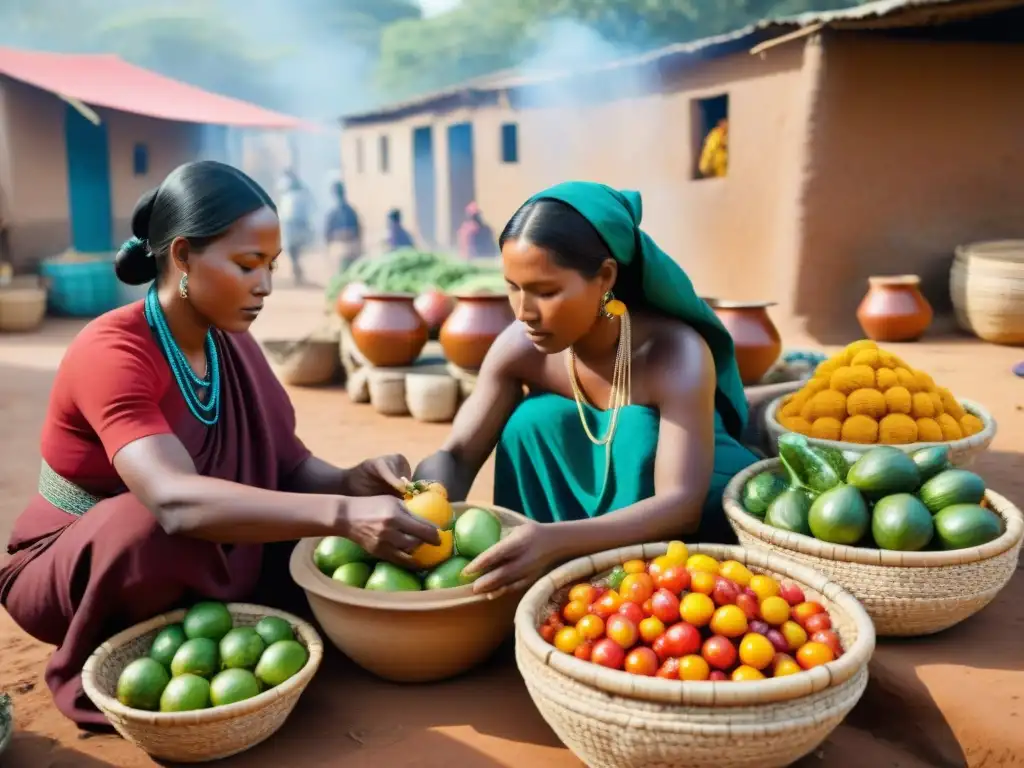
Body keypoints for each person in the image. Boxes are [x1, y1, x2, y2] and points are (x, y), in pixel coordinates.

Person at [0, 161, 440, 728]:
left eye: (272, 266)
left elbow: (287, 467)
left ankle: (214, 635)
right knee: (146, 523)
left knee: (307, 538)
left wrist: (349, 481)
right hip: (78, 564)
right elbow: (175, 504)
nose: (266, 285)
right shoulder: (111, 350)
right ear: (182, 256)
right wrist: (343, 513)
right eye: (247, 264)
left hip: (199, 545)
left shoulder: (230, 343)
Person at [413, 182, 758, 597]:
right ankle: (556, 580)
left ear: (605, 277)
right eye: (513, 287)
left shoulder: (674, 354)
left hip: (678, 534)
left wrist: (553, 540)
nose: (524, 312)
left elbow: (681, 505)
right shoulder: (521, 346)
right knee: (533, 419)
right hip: (553, 539)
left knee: (634, 429)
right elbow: (457, 453)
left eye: (546, 291)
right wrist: (420, 507)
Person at [277, 168, 314, 284]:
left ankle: (297, 270)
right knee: (292, 249)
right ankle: (296, 270)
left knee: (295, 248)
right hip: (289, 222)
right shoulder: (287, 192)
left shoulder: (298, 192)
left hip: (296, 222)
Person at [324, 181, 362, 272]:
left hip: (351, 246)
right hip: (339, 247)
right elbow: (327, 235)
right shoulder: (333, 214)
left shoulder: (350, 212)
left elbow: (358, 231)